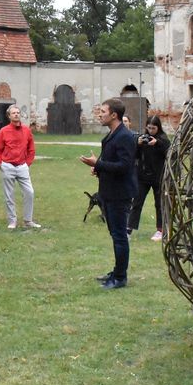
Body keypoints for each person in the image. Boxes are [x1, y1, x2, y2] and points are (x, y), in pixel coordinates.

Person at [79, 98, 138, 290]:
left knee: (120, 236)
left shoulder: (125, 136)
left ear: (114, 114)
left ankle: (120, 277)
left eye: (103, 111)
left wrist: (98, 164)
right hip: (109, 192)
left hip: (120, 194)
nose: (100, 114)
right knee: (115, 235)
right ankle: (116, 271)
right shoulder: (112, 135)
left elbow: (125, 166)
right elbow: (112, 163)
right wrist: (99, 169)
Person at [0, 105, 40, 230]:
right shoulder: (3, 131)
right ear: (9, 116)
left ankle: (28, 220)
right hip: (7, 165)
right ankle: (12, 220)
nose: (16, 114)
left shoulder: (26, 130)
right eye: (13, 113)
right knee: (9, 195)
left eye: (18, 112)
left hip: (22, 166)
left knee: (29, 192)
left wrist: (28, 163)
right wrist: (0, 163)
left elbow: (31, 148)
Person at [130, 115, 170, 242]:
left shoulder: (163, 139)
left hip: (158, 177)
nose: (151, 131)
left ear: (158, 127)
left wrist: (157, 143)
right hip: (143, 176)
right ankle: (129, 228)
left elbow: (168, 151)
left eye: (153, 128)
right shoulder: (143, 138)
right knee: (137, 202)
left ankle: (160, 230)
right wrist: (138, 144)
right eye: (149, 128)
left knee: (159, 204)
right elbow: (135, 155)